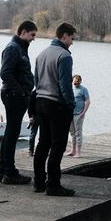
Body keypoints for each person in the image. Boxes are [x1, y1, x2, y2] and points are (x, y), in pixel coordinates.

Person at [33, 22, 77, 196]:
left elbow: (36, 81)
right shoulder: (64, 56)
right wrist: (70, 104)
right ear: (64, 36)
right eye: (72, 38)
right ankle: (53, 184)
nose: (72, 42)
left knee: (43, 142)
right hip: (57, 104)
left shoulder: (41, 54)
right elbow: (65, 84)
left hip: (40, 101)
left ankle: (38, 182)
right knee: (58, 145)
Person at [0, 20, 37, 184]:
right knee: (11, 135)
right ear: (23, 32)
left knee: (10, 134)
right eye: (32, 34)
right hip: (14, 96)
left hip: (15, 96)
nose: (33, 38)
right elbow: (5, 73)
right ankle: (9, 172)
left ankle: (3, 170)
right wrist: (21, 92)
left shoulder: (19, 47)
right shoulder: (13, 48)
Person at [66, 74, 90, 158]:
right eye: (75, 82)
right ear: (72, 81)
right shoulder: (70, 89)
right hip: (70, 114)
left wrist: (83, 112)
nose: (76, 83)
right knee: (72, 133)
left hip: (79, 114)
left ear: (80, 81)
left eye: (78, 82)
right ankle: (73, 150)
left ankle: (78, 152)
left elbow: (87, 101)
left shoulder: (83, 89)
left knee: (78, 133)